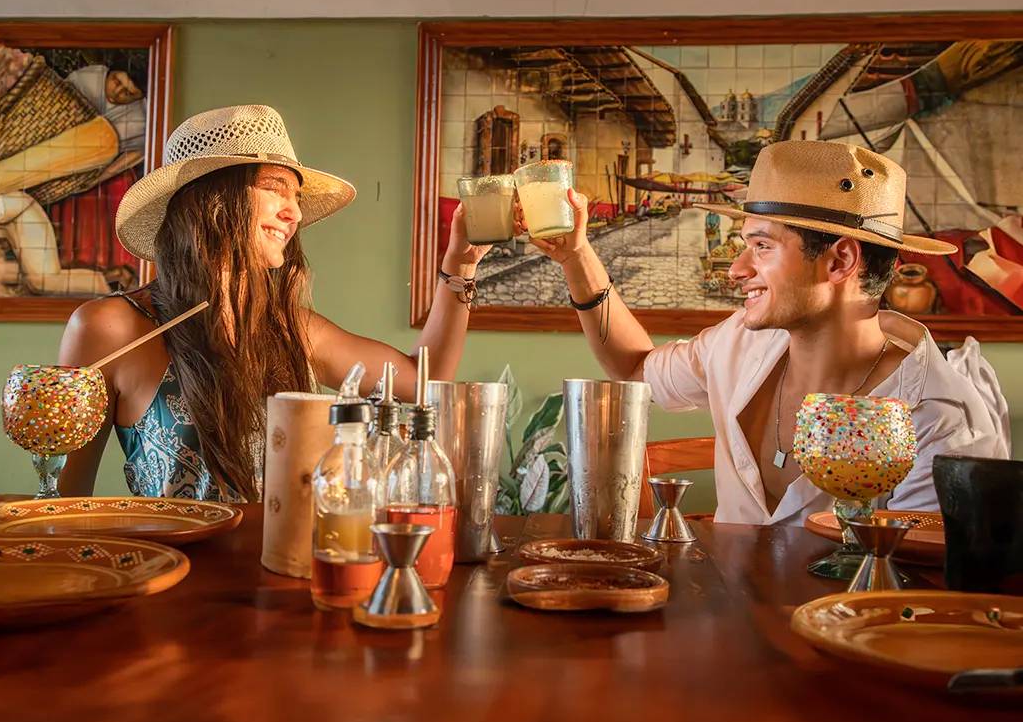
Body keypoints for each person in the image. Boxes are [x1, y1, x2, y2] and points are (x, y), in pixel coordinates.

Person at [525, 140, 1010, 525]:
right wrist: (576, 257)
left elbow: (918, 600)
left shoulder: (943, 423)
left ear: (840, 260)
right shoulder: (738, 340)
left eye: (762, 246)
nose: (736, 269)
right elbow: (636, 369)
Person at [58, 104, 490, 501]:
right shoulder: (108, 327)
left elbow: (422, 383)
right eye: (276, 188)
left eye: (296, 197)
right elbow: (64, 500)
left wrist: (460, 266)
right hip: (173, 579)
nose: (295, 214)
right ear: (211, 200)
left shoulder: (291, 329)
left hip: (285, 577)